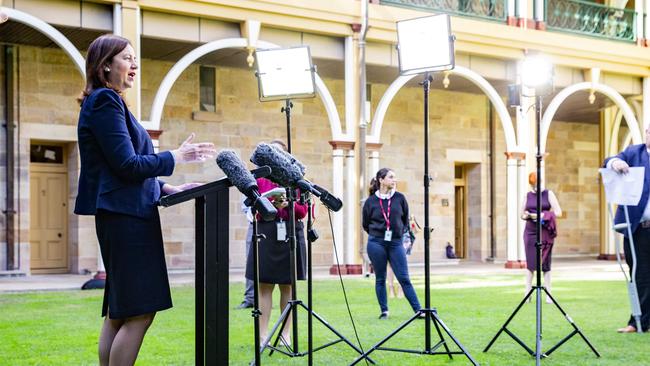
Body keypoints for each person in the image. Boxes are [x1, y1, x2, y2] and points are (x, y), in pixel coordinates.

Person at [74, 34, 216, 365]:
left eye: (135, 58)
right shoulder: (105, 102)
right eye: (127, 57)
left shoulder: (109, 102)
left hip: (125, 214)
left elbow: (127, 170)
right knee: (139, 312)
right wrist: (176, 156)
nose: (134, 63)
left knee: (122, 312)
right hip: (126, 219)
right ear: (106, 64)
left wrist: (169, 189)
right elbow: (126, 165)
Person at [244, 139, 308, 345]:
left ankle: (285, 334)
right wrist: (269, 203)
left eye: (279, 153)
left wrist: (289, 204)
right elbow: (252, 209)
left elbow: (303, 211)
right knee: (264, 287)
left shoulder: (296, 178)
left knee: (287, 287)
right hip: (266, 232)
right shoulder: (258, 179)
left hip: (290, 232)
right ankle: (263, 335)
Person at [605, 129, 650, 333]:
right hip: (638, 228)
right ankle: (637, 322)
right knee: (639, 275)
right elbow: (610, 160)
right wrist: (615, 163)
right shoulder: (634, 152)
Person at [362, 168, 421, 319]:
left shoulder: (400, 198)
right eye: (391, 177)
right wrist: (379, 234)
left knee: (404, 277)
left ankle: (418, 310)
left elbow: (405, 219)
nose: (394, 180)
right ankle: (384, 311)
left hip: (395, 243)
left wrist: (397, 234)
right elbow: (366, 224)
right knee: (380, 278)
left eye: (395, 177)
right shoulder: (370, 202)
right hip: (376, 243)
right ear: (381, 180)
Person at [521, 172, 562, 304]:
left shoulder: (548, 194)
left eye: (536, 183)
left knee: (545, 263)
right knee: (530, 263)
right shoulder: (527, 195)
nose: (534, 186)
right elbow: (521, 214)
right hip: (530, 231)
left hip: (545, 231)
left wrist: (541, 215)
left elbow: (558, 212)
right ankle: (527, 293)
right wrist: (528, 215)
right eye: (532, 184)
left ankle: (549, 294)